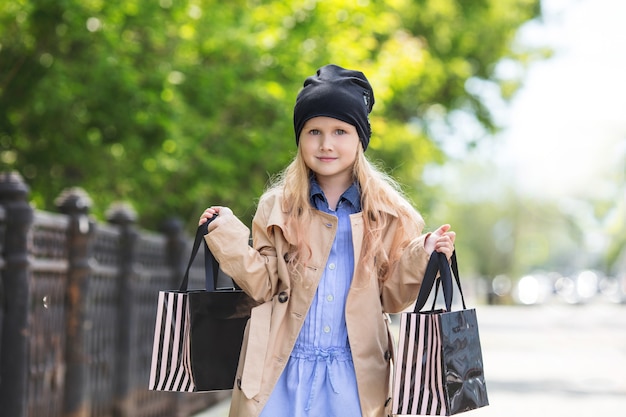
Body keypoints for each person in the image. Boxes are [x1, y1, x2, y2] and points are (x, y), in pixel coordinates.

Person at [199, 64, 456, 417]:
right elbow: (262, 286)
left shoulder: (389, 213)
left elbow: (392, 297)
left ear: (359, 139)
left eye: (340, 131)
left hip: (355, 378)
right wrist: (225, 234)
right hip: (280, 371)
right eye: (313, 131)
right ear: (300, 138)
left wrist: (423, 255)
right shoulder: (278, 207)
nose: (326, 144)